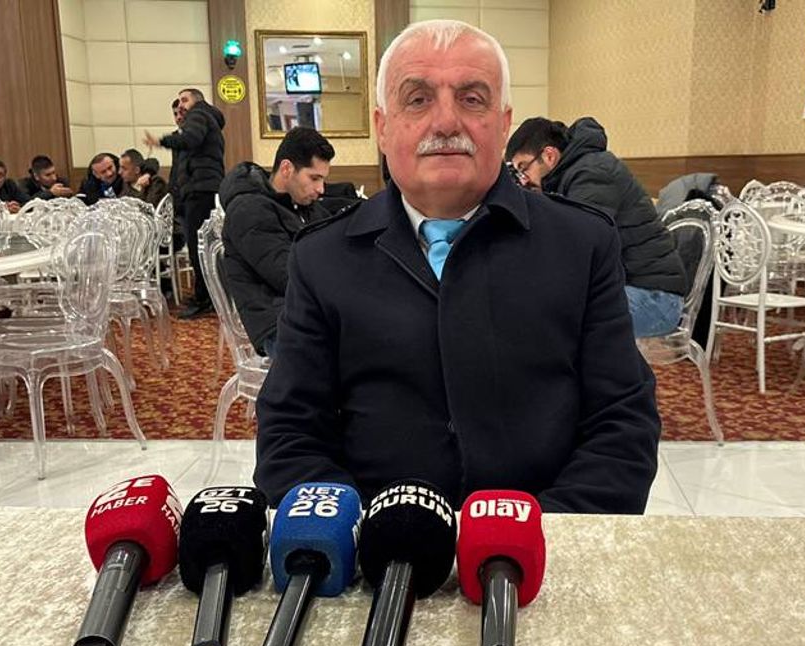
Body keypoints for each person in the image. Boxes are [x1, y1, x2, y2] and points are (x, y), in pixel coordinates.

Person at [253, 20, 661, 514]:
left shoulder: (582, 244)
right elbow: (291, 433)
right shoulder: (323, 258)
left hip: (545, 543)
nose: (446, 122)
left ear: (504, 124)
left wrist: (535, 537)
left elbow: (622, 423)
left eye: (471, 99)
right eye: (418, 99)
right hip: (375, 548)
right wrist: (364, 536)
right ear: (383, 127)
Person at [506, 117, 688, 338]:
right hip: (630, 288)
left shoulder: (592, 173)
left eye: (524, 168)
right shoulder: (570, 175)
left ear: (549, 155)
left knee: (550, 316)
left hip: (656, 298)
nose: (524, 180)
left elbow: (577, 249)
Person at [218, 127, 335, 359]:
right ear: (287, 169)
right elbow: (290, 277)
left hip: (309, 313)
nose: (320, 189)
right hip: (279, 324)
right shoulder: (249, 210)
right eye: (314, 178)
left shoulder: (300, 205)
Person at [144, 89, 226, 318]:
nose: (180, 105)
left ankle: (204, 299)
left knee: (198, 247)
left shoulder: (198, 114)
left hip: (200, 189)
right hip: (203, 188)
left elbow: (190, 139)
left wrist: (161, 141)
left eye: (184, 99)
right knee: (202, 246)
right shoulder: (207, 118)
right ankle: (206, 295)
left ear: (196, 101)